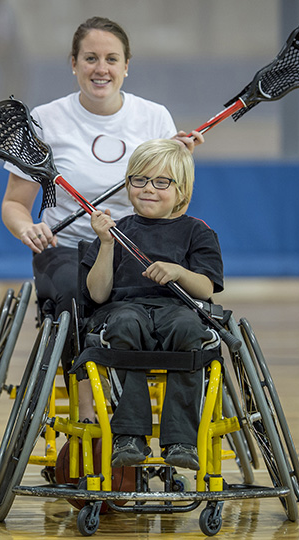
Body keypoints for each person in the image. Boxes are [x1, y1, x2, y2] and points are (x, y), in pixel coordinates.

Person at [0, 16, 202, 420]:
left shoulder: (154, 118)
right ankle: (88, 416)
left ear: (127, 65)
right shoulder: (44, 119)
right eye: (90, 58)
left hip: (137, 248)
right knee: (76, 299)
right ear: (73, 63)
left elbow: (170, 197)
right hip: (66, 248)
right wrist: (29, 228)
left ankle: (150, 417)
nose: (101, 68)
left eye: (112, 59)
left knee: (170, 307)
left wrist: (178, 162)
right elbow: (14, 205)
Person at [81, 138, 223, 470]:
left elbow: (205, 287)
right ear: (128, 183)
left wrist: (179, 272)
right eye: (139, 180)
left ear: (182, 190)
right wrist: (104, 244)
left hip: (178, 309)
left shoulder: (197, 232)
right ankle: (129, 436)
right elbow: (98, 294)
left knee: (190, 329)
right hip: (124, 310)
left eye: (161, 182)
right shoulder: (118, 232)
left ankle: (182, 440)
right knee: (124, 325)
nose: (148, 189)